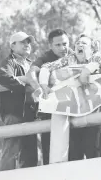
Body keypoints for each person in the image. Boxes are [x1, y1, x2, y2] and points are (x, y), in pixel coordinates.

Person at [39, 33, 101, 160]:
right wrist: (43, 84)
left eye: (84, 43)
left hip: (96, 117)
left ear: (92, 48)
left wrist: (85, 72)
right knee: (74, 155)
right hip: (74, 115)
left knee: (94, 153)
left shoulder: (99, 59)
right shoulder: (68, 59)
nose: (79, 45)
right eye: (77, 43)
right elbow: (46, 67)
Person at [26, 29, 72, 165]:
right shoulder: (46, 58)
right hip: (50, 113)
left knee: (75, 154)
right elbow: (30, 73)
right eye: (57, 45)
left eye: (65, 43)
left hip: (73, 110)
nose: (62, 48)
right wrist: (38, 87)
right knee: (49, 153)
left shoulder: (74, 55)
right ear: (50, 46)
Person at [0, 31, 38, 170]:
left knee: (30, 152)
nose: (27, 45)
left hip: (30, 113)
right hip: (14, 112)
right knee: (11, 149)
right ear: (12, 46)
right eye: (22, 42)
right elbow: (2, 76)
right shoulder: (9, 62)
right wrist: (24, 87)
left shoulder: (32, 64)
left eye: (28, 42)